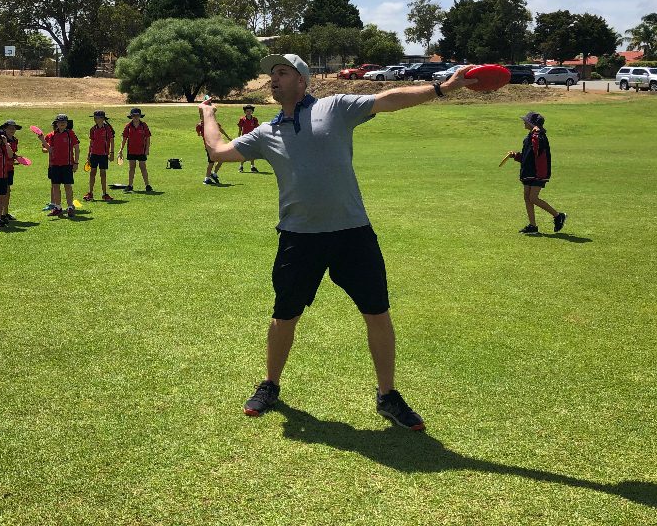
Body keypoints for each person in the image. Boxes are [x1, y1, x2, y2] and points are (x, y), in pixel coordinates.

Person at [199, 53, 476, 429]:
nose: (274, 79)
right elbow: (217, 151)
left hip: (352, 233)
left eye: (282, 73)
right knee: (284, 316)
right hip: (299, 237)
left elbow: (391, 98)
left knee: (377, 312)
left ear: (303, 80)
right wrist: (209, 115)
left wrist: (443, 87)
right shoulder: (266, 132)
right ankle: (270, 384)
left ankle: (388, 395)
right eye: (271, 75)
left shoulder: (336, 107)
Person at [508, 111, 566, 234]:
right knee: (527, 197)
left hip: (538, 172)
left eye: (526, 120)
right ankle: (532, 226)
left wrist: (536, 131)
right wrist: (516, 156)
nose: (524, 122)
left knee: (533, 198)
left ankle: (558, 216)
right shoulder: (528, 138)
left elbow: (537, 147)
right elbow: (528, 156)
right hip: (529, 171)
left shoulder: (540, 137)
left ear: (532, 124)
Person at [42, 113, 80, 217]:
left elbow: (76, 148)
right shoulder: (52, 135)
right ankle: (58, 207)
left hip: (67, 164)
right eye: (60, 122)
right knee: (55, 186)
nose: (62, 123)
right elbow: (46, 149)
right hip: (55, 165)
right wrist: (43, 142)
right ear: (56, 124)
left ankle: (70, 207)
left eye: (64, 122)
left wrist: (76, 162)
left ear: (67, 123)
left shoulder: (70, 133)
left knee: (68, 186)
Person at [118, 107, 153, 193]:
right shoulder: (128, 126)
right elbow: (124, 139)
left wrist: (147, 149)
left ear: (140, 116)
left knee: (143, 167)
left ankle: (147, 185)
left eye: (137, 115)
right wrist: (121, 150)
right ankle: (130, 185)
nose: (136, 117)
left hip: (141, 150)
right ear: (131, 116)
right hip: (131, 150)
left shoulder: (144, 125)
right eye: (134, 115)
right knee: (132, 168)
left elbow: (148, 138)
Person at [83, 110, 115, 202]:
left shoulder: (107, 129)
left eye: (96, 118)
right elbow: (91, 142)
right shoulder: (93, 129)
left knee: (103, 174)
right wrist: (89, 154)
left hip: (104, 155)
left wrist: (111, 153)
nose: (95, 119)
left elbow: (112, 140)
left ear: (102, 119)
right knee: (92, 173)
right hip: (94, 154)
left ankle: (104, 194)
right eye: (94, 117)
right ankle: (90, 193)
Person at [196, 109, 230, 184]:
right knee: (211, 162)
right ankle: (206, 179)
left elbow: (221, 130)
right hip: (209, 147)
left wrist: (228, 137)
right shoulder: (199, 126)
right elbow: (199, 133)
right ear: (201, 117)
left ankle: (213, 174)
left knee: (222, 159)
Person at [0, 120, 24, 221]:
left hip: (10, 168)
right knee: (3, 192)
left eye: (14, 128)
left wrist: (17, 158)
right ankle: (0, 214)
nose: (12, 130)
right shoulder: (1, 140)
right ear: (5, 129)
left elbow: (12, 154)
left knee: (8, 191)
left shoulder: (15, 140)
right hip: (1, 169)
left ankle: (5, 213)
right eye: (10, 128)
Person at [237, 105, 261, 173]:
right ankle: (241, 166)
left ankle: (252, 166)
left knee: (252, 152)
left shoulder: (255, 119)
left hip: (253, 138)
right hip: (244, 138)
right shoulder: (242, 119)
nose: (249, 112)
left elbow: (257, 129)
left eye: (250, 111)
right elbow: (240, 129)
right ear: (245, 112)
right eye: (247, 111)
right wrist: (239, 138)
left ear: (252, 111)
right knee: (243, 153)